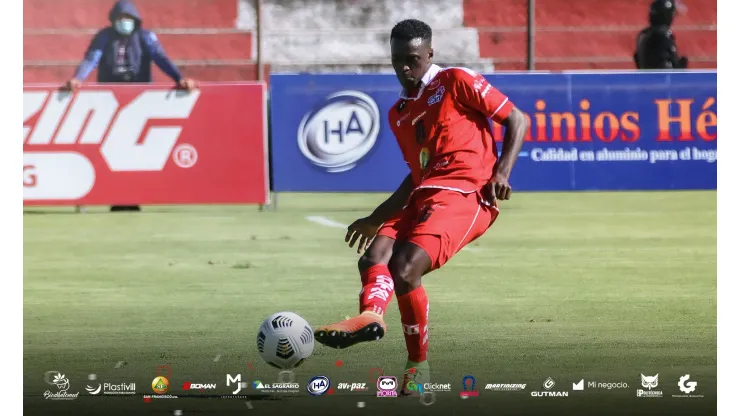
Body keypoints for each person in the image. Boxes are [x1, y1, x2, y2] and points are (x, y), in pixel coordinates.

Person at [313, 19, 529, 395]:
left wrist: (502, 173)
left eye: (412, 59)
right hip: (425, 192)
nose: (405, 68)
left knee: (405, 266)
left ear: (430, 54)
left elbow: (516, 119)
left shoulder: (456, 81)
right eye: (398, 60)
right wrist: (375, 218)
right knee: (373, 257)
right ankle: (371, 317)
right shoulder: (398, 113)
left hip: (468, 192)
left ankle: (417, 369)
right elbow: (417, 175)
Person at [63, 0, 197, 212]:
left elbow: (160, 58)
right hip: (110, 100)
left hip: (138, 100)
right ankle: (97, 195)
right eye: (119, 19)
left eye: (128, 18)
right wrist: (78, 78)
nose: (124, 22)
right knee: (105, 148)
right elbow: (92, 58)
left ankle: (132, 196)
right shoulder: (104, 37)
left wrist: (179, 78)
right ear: (113, 21)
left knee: (134, 152)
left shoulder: (145, 37)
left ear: (136, 20)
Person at [634, 0, 688, 69]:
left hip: (645, 78)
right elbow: (675, 65)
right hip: (663, 78)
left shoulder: (643, 34)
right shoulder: (664, 36)